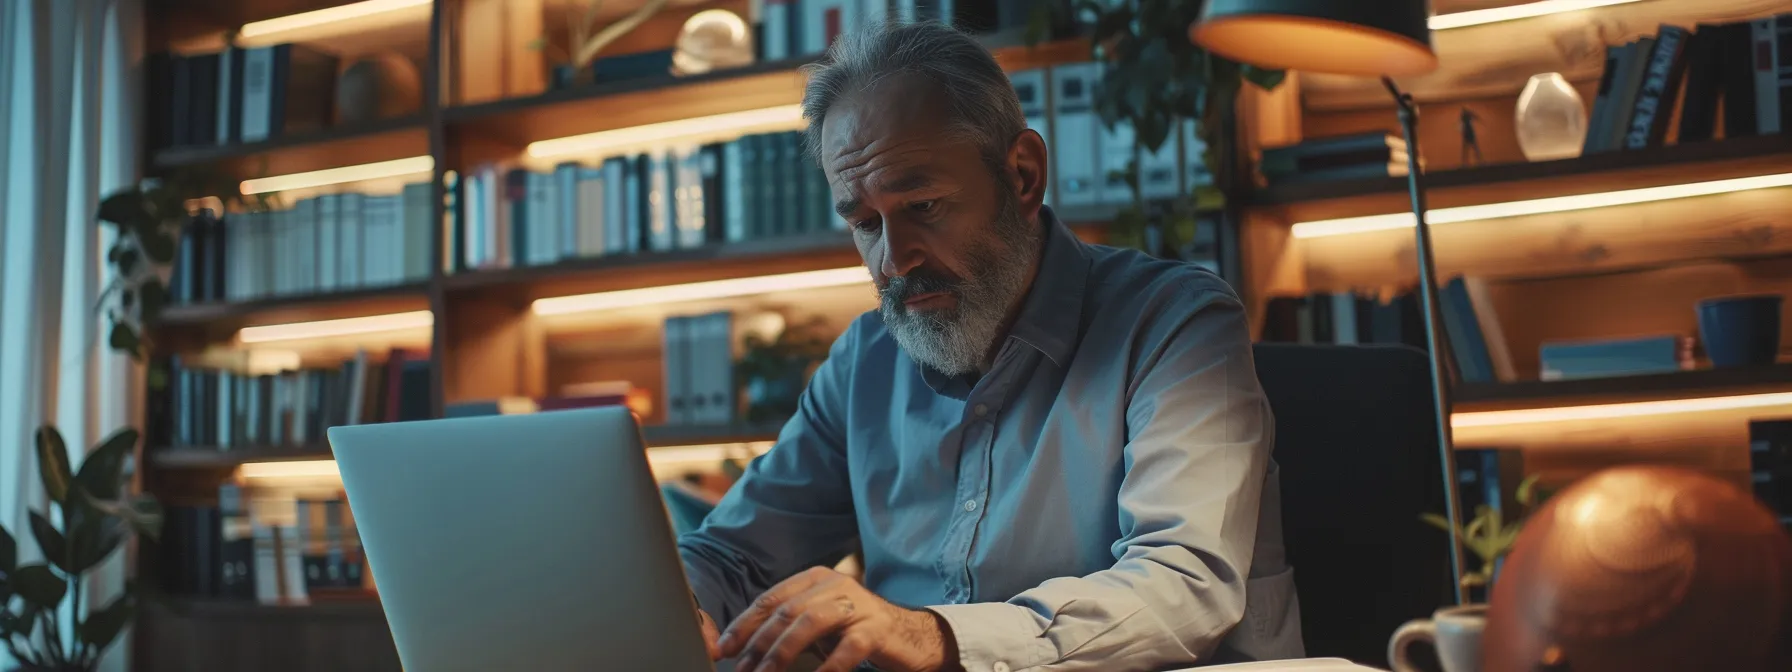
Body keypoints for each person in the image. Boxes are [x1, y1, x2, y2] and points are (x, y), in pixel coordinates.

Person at [678, 21, 1303, 672]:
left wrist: (931, 637)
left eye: (923, 205)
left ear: (1023, 175)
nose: (894, 260)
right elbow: (734, 557)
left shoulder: (1175, 323)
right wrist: (683, 610)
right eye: (865, 224)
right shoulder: (866, 360)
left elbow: (1185, 587)